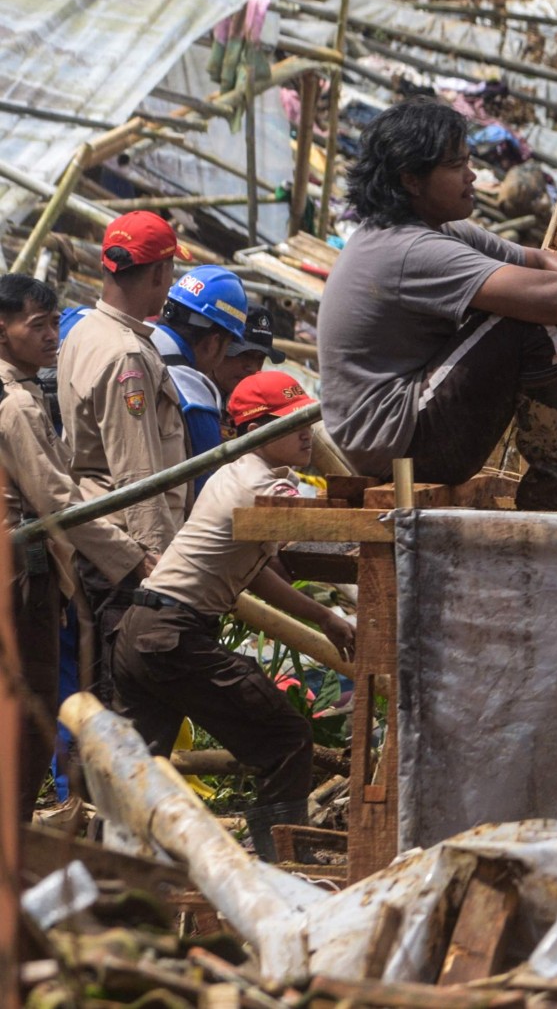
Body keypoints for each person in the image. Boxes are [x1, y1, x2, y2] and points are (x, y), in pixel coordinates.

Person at [315, 98, 557, 512]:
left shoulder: (438, 232)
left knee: (538, 303)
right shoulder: (408, 249)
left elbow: (536, 258)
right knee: (532, 319)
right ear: (411, 181)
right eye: (455, 166)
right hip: (398, 442)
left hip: (408, 431)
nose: (472, 175)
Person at [110, 370, 355, 861]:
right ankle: (280, 863)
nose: (307, 432)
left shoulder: (238, 476)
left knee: (139, 772)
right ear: (254, 432)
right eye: (291, 424)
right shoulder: (258, 486)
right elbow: (327, 526)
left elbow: (257, 572)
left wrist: (324, 619)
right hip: (173, 637)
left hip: (144, 633)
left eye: (307, 420)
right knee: (285, 738)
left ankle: (118, 880)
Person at [0, 274, 150, 814]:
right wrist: (131, 559)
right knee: (34, 710)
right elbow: (57, 502)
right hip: (22, 575)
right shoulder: (15, 404)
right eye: (36, 325)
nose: (50, 336)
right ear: (2, 331)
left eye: (52, 323)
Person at [58, 212, 192, 661]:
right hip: (128, 557)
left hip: (102, 548)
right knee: (124, 700)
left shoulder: (84, 331)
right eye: (171, 270)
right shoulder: (126, 354)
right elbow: (139, 474)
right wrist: (161, 569)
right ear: (160, 272)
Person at [160, 267, 276, 464]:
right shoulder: (194, 396)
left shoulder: (131, 344)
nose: (252, 368)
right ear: (215, 343)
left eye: (260, 359)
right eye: (242, 355)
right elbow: (205, 484)